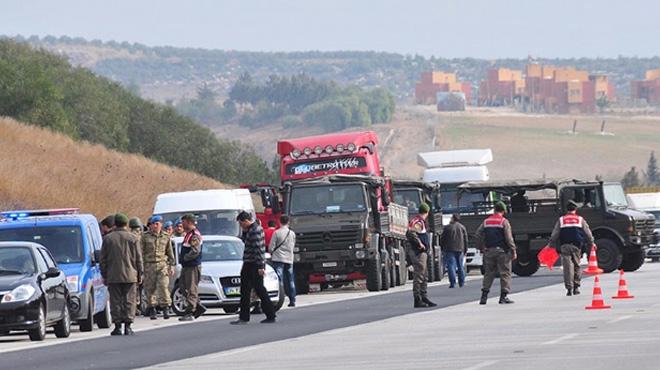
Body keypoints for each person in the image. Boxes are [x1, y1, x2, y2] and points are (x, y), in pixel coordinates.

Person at [100, 213, 143, 335]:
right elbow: (138, 259)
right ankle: (128, 326)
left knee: (115, 301)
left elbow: (103, 260)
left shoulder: (108, 239)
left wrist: (104, 275)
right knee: (130, 300)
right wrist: (140, 274)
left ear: (115, 224)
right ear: (126, 224)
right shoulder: (133, 238)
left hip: (113, 276)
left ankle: (117, 326)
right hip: (131, 275)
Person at [231, 211, 277, 325]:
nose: (241, 226)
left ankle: (270, 314)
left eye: (241, 224)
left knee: (259, 289)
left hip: (254, 264)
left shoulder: (255, 230)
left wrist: (261, 266)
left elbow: (259, 249)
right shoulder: (251, 230)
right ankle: (244, 316)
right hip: (249, 263)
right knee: (245, 290)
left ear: (246, 221)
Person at [548, 200, 594, 296]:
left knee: (567, 267)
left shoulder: (561, 220)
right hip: (576, 246)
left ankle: (569, 289)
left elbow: (555, 234)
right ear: (575, 209)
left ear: (567, 210)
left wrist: (551, 244)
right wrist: (592, 243)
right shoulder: (580, 219)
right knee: (577, 266)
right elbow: (588, 233)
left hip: (564, 246)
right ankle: (576, 287)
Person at [476, 201, 516, 305]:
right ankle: (503, 297)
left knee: (488, 273)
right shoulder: (504, 221)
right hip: (502, 252)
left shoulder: (486, 222)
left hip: (489, 251)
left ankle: (484, 296)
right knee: (505, 273)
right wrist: (513, 250)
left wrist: (482, 247)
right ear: (503, 211)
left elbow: (478, 234)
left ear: (494, 210)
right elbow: (509, 238)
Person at [141, 215, 176, 319]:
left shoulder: (166, 237)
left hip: (162, 265)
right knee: (150, 288)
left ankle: (165, 308)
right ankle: (152, 309)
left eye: (157, 224)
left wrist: (171, 266)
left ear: (161, 224)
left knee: (163, 286)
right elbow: (141, 252)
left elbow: (170, 253)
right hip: (149, 265)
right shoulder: (145, 237)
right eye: (153, 224)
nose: (155, 226)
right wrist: (141, 268)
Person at [406, 203, 437, 308]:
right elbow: (411, 233)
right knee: (419, 275)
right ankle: (417, 299)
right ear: (427, 212)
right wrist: (419, 243)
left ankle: (424, 297)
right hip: (418, 252)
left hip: (422, 252)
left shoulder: (420, 221)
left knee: (424, 275)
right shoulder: (417, 222)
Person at [178, 213, 205, 321]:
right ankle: (198, 306)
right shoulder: (188, 234)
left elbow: (195, 251)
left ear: (189, 222)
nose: (182, 225)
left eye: (183, 222)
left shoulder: (194, 235)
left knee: (191, 289)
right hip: (187, 266)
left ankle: (190, 311)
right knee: (182, 286)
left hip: (192, 267)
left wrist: (185, 258)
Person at [269, 215, 296, 307]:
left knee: (279, 279)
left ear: (279, 222)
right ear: (288, 222)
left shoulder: (276, 233)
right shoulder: (292, 233)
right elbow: (293, 245)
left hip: (278, 258)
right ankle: (292, 299)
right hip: (289, 258)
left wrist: (271, 252)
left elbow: (271, 247)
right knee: (290, 279)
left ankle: (281, 297)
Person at [440, 214, 468, 288]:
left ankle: (453, 283)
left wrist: (442, 248)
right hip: (460, 248)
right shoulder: (462, 227)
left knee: (451, 266)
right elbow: (465, 240)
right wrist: (465, 249)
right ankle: (461, 282)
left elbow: (442, 239)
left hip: (449, 249)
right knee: (460, 266)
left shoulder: (447, 227)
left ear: (452, 218)